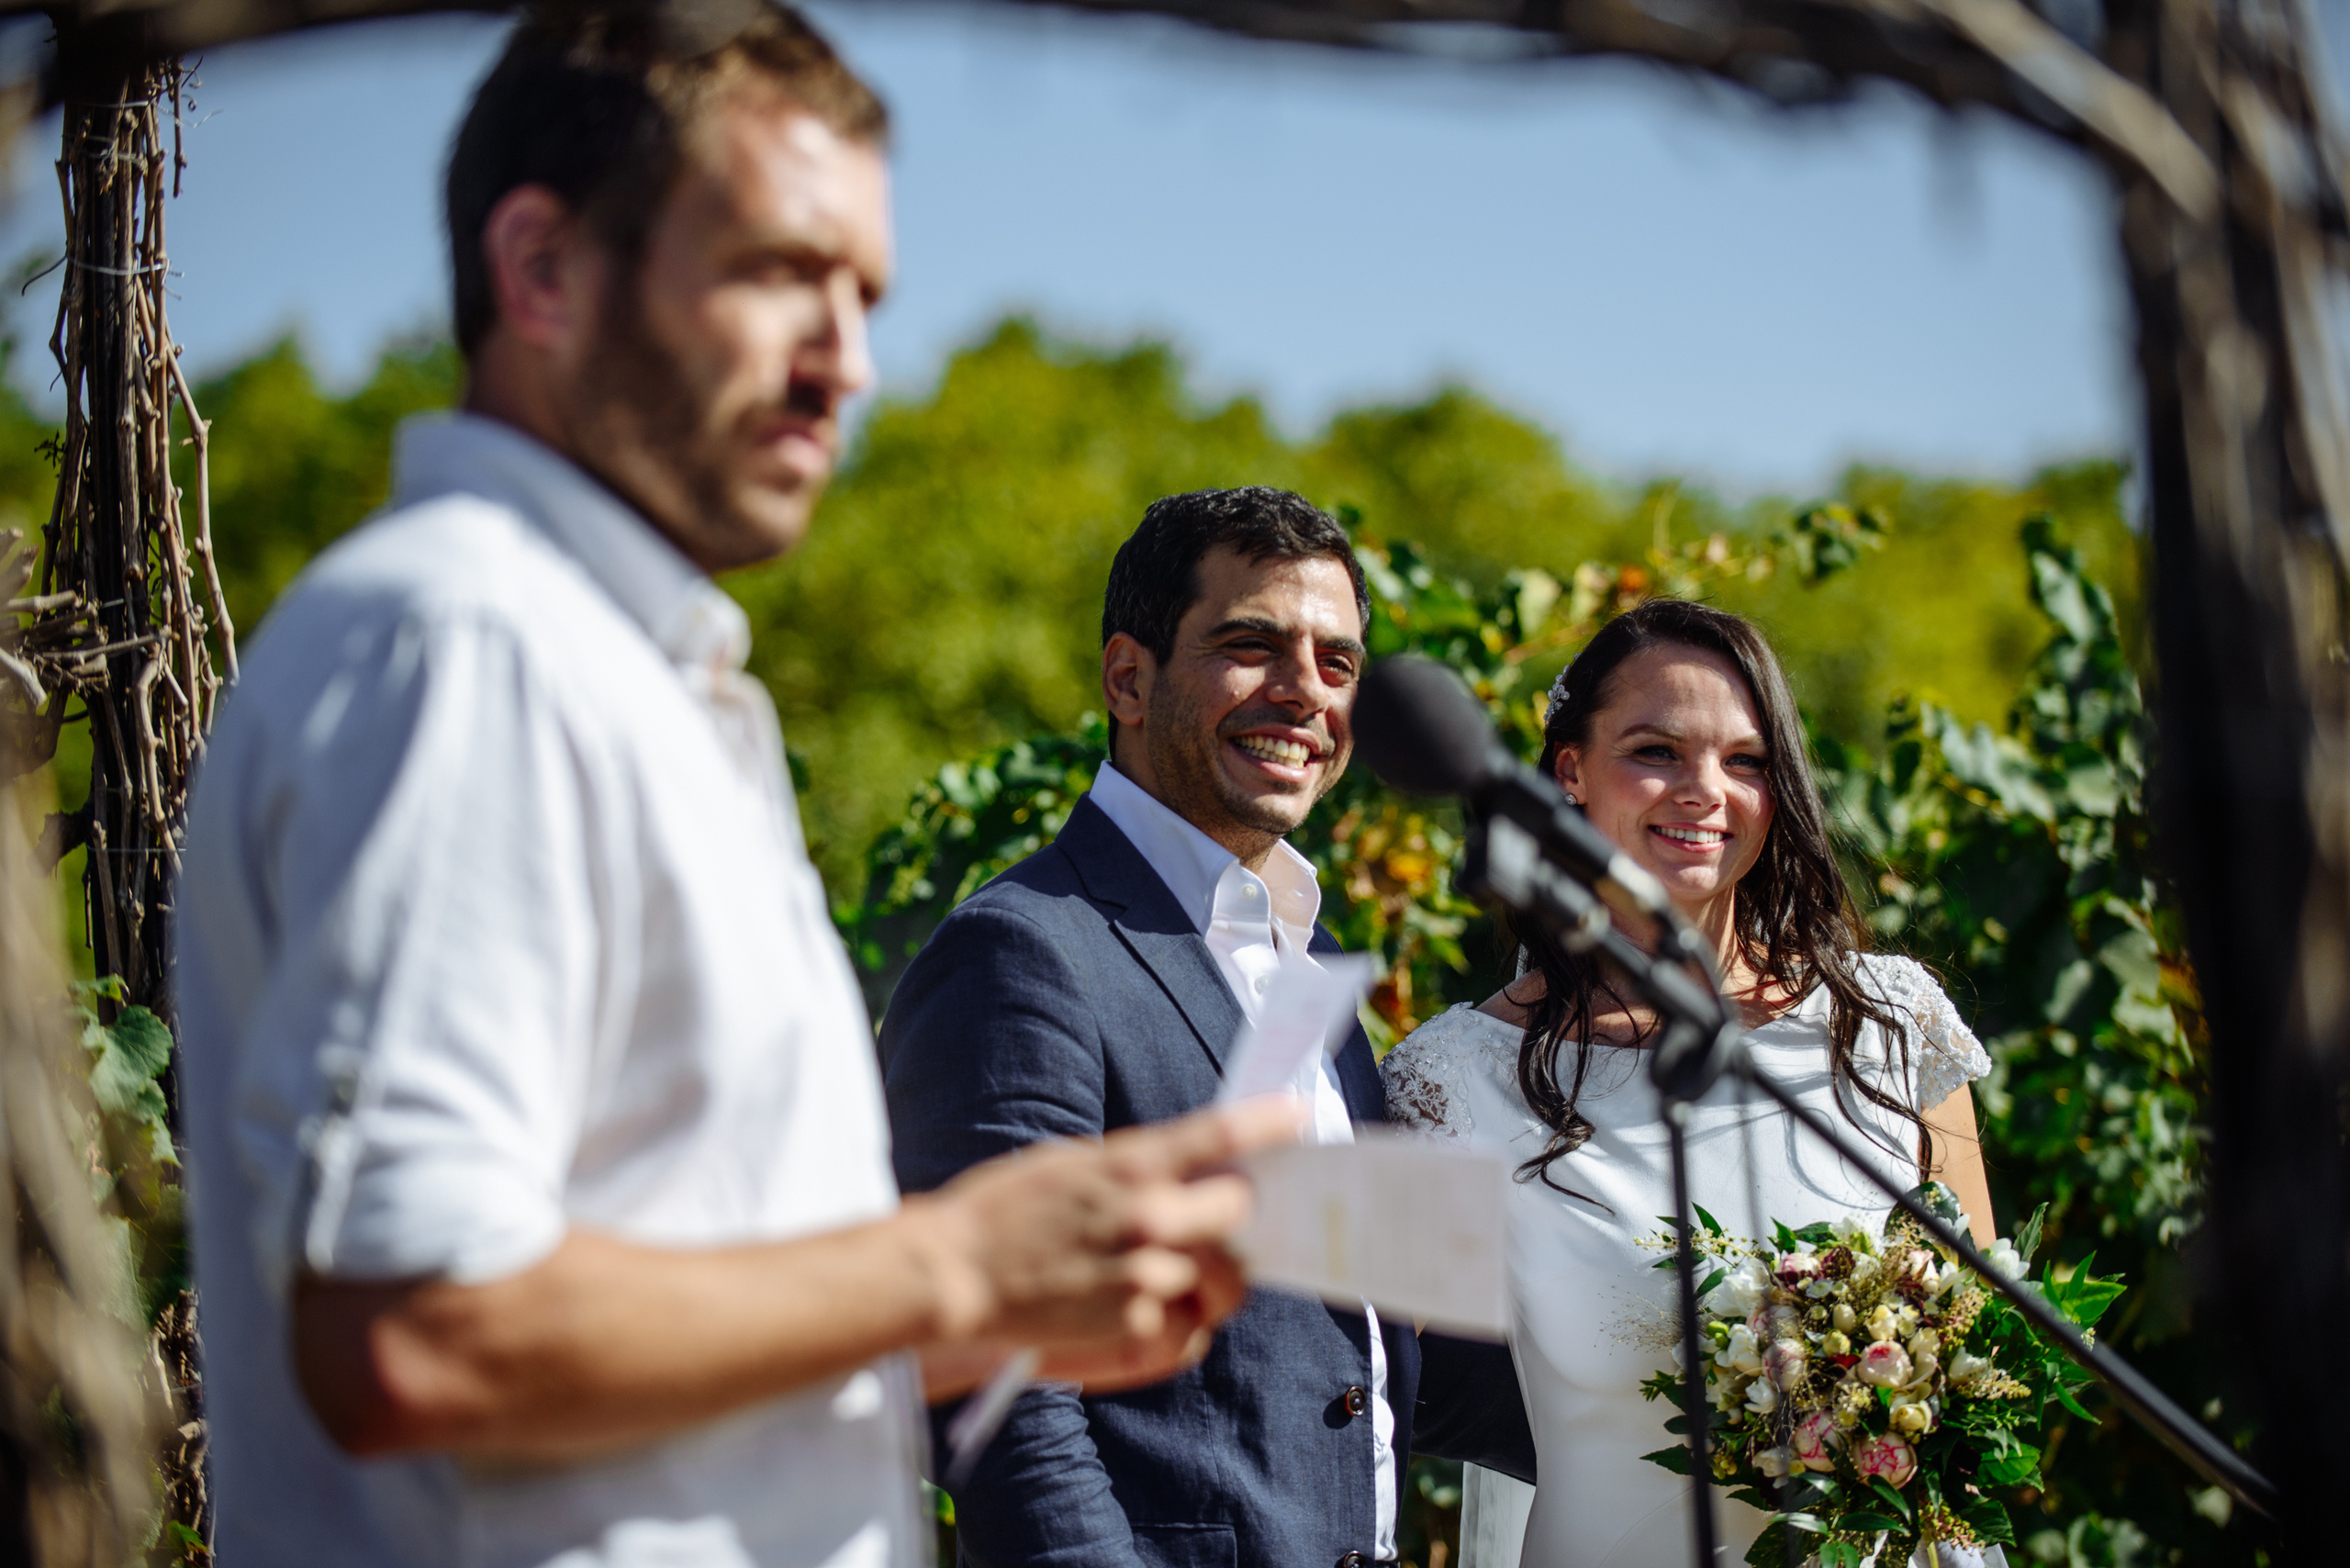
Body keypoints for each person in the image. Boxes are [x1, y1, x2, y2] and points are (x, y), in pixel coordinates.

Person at [174, 9, 1296, 1567]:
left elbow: (644, 1345)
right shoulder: (474, 645)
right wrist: (953, 1264)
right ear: (544, 268)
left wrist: (995, 1312)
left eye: (865, 292)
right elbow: (413, 1334)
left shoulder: (628, 674)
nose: (849, 361)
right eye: (780, 269)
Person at [882, 488, 1463, 1568]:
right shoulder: (1021, 952)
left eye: (1337, 665)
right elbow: (999, 1389)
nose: (1303, 694)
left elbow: (1334, 1352)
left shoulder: (1312, 951)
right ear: (1127, 677)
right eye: (1251, 646)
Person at [1379, 598, 2002, 1568]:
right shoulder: (1455, 1079)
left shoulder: (1888, 1022)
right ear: (1569, 773)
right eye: (1655, 750)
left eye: (1745, 760)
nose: (1705, 790)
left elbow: (1991, 1342)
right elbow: (1379, 1396)